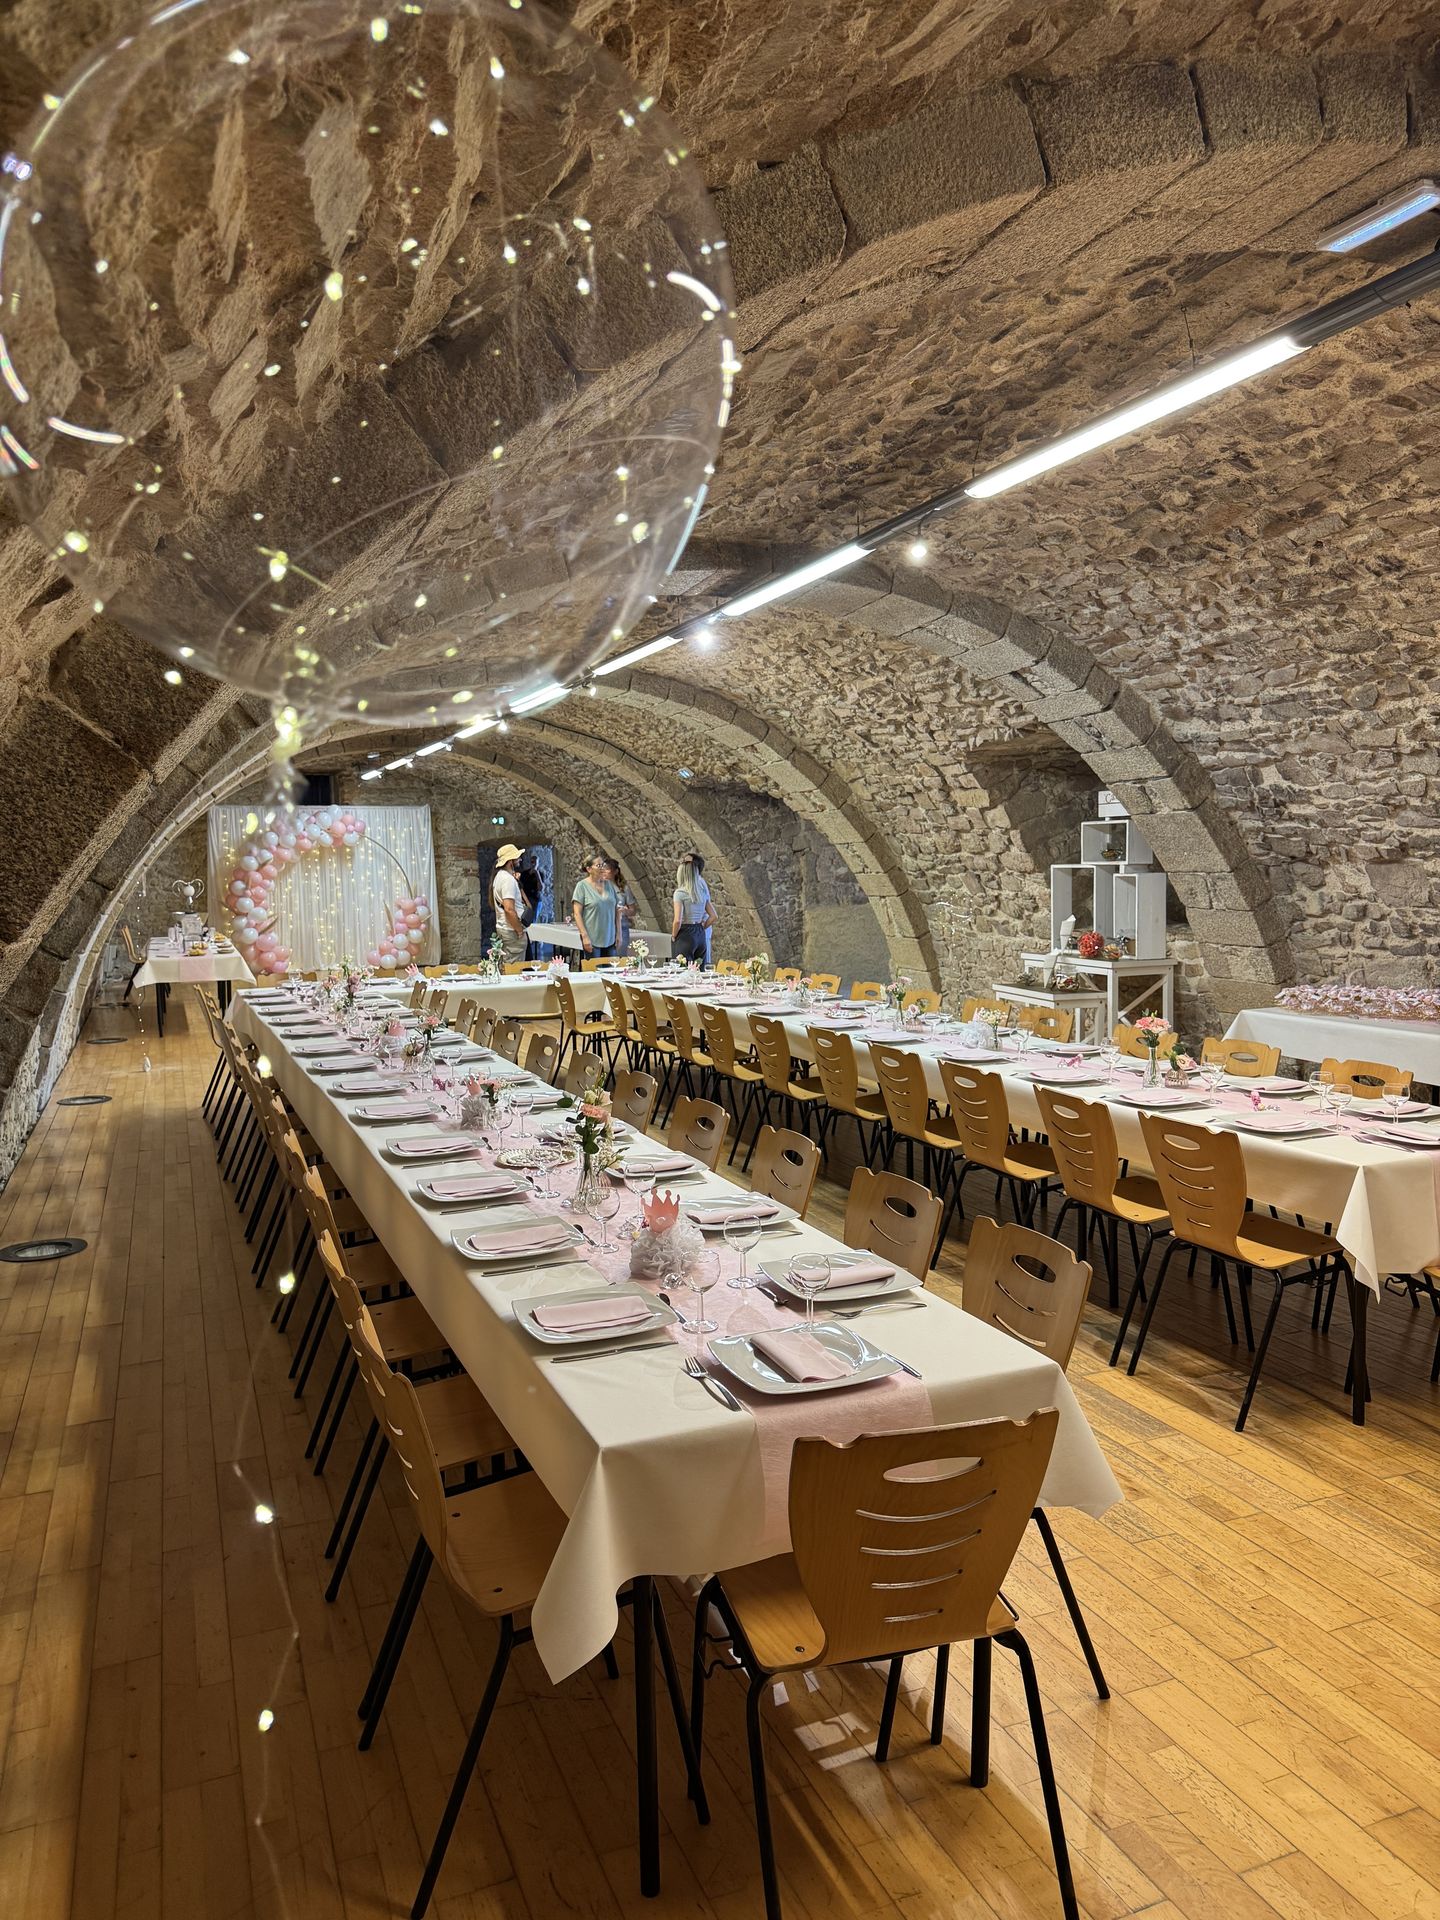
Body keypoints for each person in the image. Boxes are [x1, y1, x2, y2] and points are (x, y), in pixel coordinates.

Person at [571, 852, 619, 959]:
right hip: (592, 938)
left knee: (612, 972)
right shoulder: (582, 886)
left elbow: (616, 911)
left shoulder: (609, 885)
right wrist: (584, 936)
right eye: (598, 865)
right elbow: (577, 914)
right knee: (593, 973)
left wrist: (618, 933)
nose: (602, 868)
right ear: (589, 869)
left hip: (610, 937)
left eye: (603, 865)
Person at [671, 851, 714, 963]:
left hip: (686, 933)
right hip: (699, 933)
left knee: (682, 970)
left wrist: (674, 935)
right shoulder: (702, 892)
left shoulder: (680, 893)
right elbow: (713, 916)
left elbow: (677, 920)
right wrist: (701, 927)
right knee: (700, 970)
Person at [491, 843, 528, 966]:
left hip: (505, 928)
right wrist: (519, 930)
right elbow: (509, 909)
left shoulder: (499, 877)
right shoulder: (507, 879)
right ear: (510, 861)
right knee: (514, 968)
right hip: (511, 930)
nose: (520, 860)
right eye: (517, 858)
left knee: (507, 965)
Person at [607, 857, 635, 957]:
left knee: (620, 956)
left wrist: (624, 911)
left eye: (608, 869)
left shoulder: (623, 888)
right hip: (607, 925)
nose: (605, 872)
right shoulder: (601, 887)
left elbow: (632, 911)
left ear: (615, 871)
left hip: (622, 925)